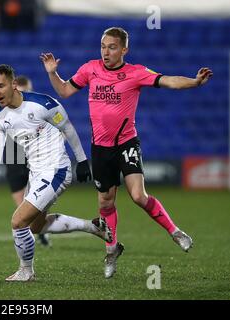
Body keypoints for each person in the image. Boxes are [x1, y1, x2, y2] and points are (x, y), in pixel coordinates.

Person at [40, 27, 213, 278]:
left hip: (126, 143)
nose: (106, 51)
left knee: (138, 196)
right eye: (103, 46)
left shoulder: (135, 73)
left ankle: (175, 232)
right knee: (105, 201)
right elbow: (65, 91)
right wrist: (53, 73)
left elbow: (168, 81)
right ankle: (111, 250)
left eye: (112, 47)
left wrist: (194, 82)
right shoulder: (90, 69)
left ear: (124, 50)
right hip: (100, 148)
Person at [0, 64, 112, 282]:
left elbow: (68, 128)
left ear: (14, 84)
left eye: (1, 86)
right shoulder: (0, 118)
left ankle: (26, 271)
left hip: (56, 171)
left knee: (18, 221)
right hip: (36, 173)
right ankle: (94, 227)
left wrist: (81, 160)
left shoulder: (43, 103)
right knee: (36, 226)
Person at [0, 75, 50, 247]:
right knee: (21, 201)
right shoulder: (0, 108)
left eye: (27, 90)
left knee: (37, 197)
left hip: (36, 155)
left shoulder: (37, 107)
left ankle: (37, 229)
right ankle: (34, 231)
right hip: (13, 155)